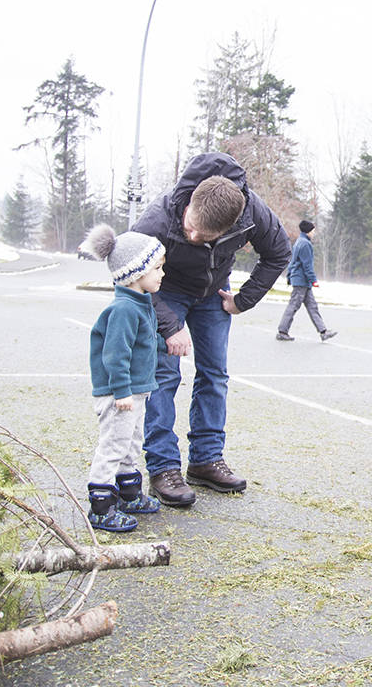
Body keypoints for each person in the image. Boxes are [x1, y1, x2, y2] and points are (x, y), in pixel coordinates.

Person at [133, 153, 291, 507]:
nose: (191, 234)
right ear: (189, 203)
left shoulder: (252, 214)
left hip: (213, 294)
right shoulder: (157, 219)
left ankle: (205, 459)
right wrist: (169, 326)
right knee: (163, 374)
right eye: (189, 227)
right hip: (165, 289)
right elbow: (129, 274)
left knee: (215, 375)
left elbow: (279, 252)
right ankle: (163, 466)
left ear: (232, 227)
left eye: (201, 236)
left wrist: (243, 300)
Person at [78, 224, 167, 532]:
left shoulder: (141, 304)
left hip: (136, 391)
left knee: (131, 442)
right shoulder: (124, 309)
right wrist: (122, 392)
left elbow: (144, 343)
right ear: (135, 273)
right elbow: (115, 355)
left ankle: (128, 493)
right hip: (121, 394)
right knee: (114, 444)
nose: (162, 274)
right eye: (157, 268)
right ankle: (101, 506)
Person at [276, 219, 338, 342]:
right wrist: (313, 280)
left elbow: (293, 262)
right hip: (301, 281)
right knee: (293, 305)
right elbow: (307, 265)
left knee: (312, 306)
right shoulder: (305, 244)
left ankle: (323, 331)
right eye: (313, 231)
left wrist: (290, 276)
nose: (314, 233)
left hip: (302, 281)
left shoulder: (299, 242)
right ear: (308, 231)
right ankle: (282, 331)